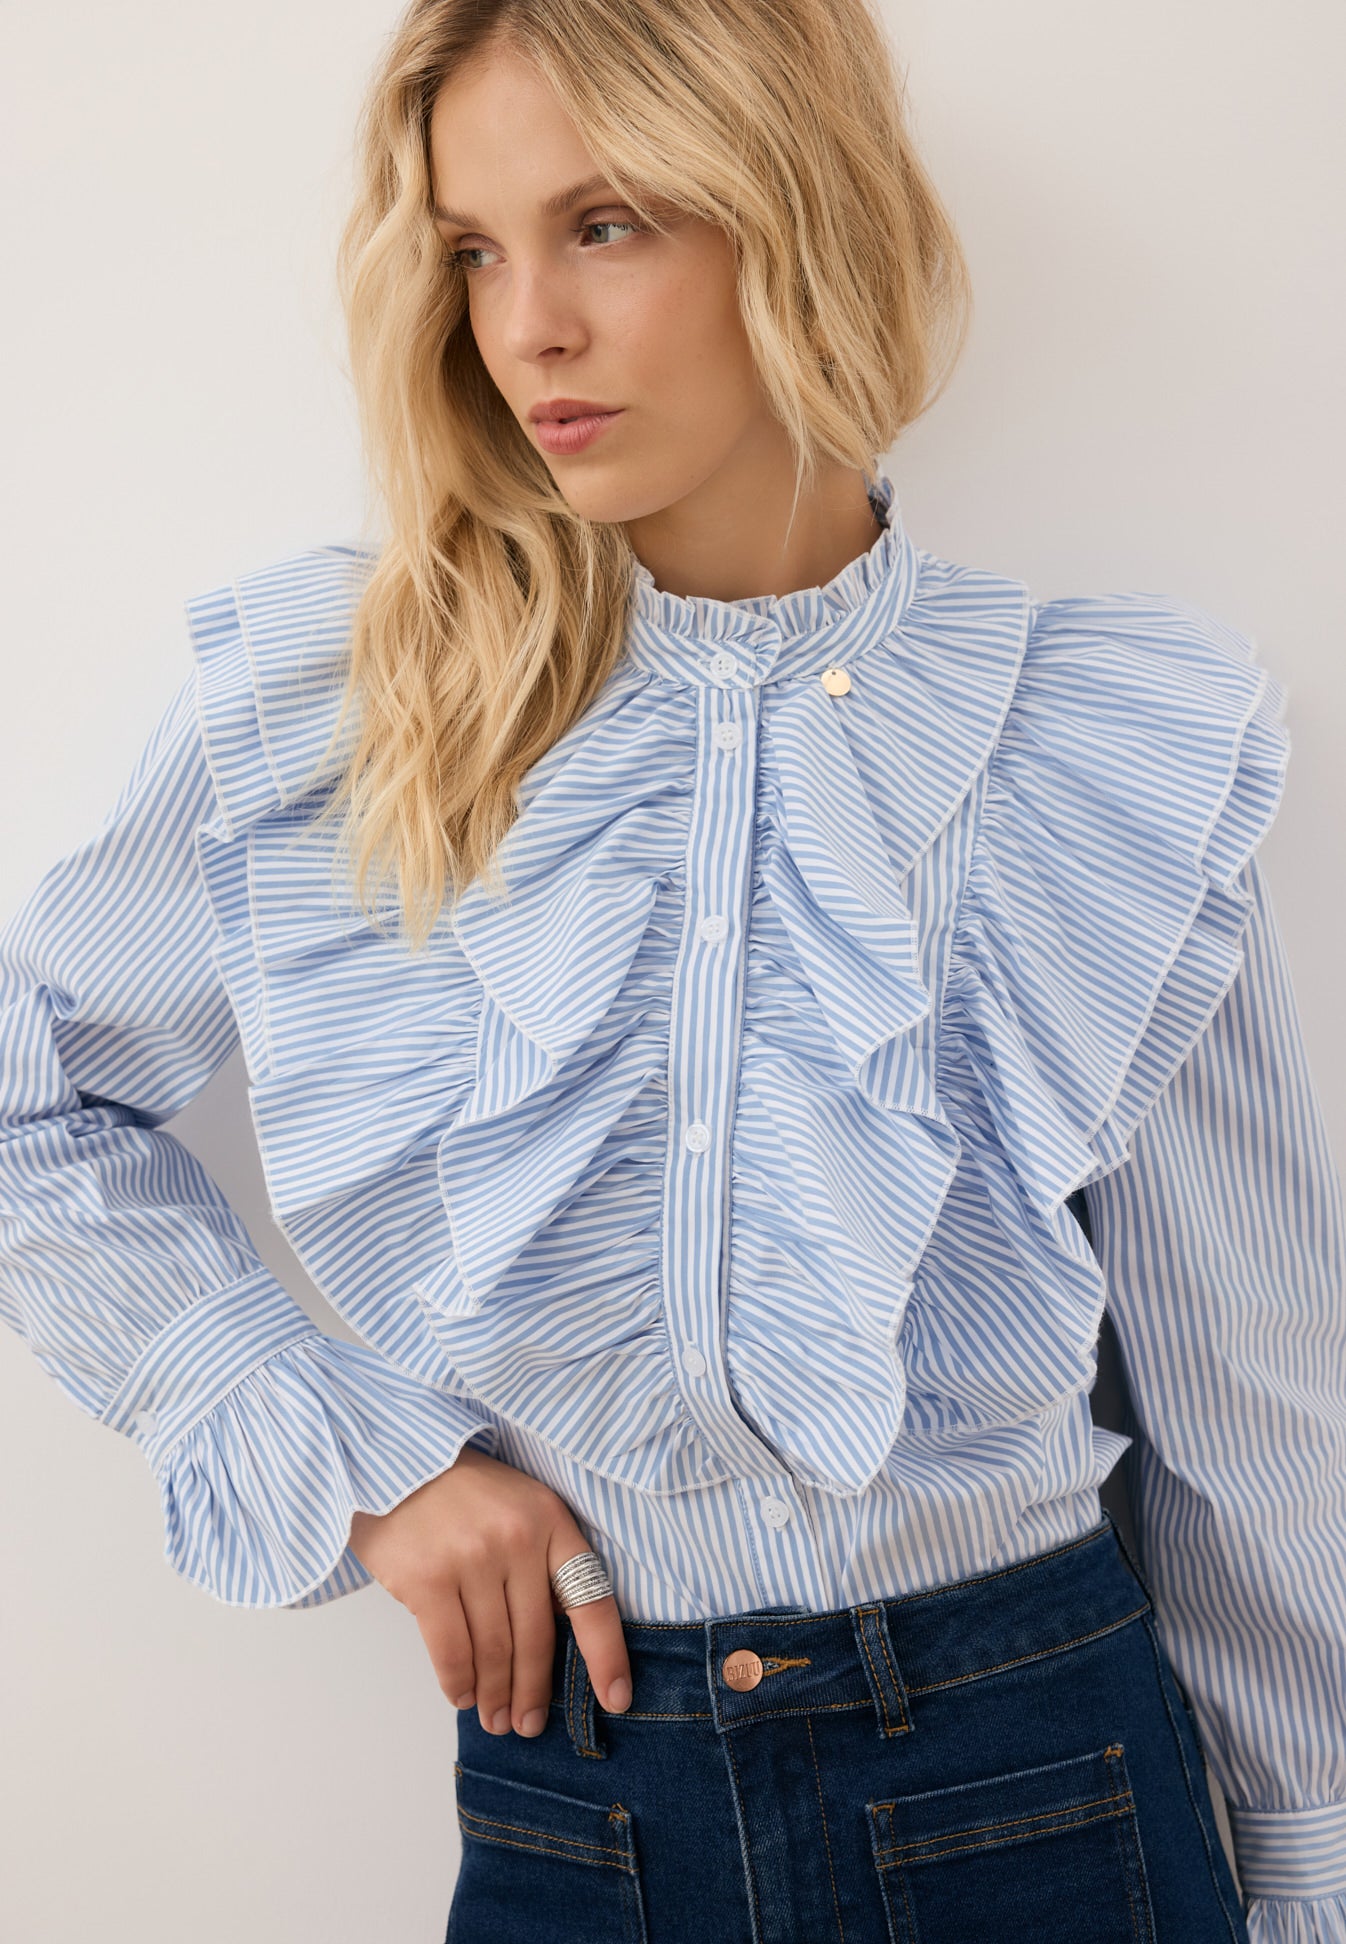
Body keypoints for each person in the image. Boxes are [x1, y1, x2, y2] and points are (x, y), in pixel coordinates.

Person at [1, 0, 1342, 1938]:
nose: (526, 327)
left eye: (605, 225)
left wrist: (1306, 1873)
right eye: (474, 251)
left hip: (1044, 1788)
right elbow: (27, 1093)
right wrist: (357, 1461)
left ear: (795, 213)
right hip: (582, 1798)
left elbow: (1254, 1400)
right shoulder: (343, 703)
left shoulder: (1092, 744)